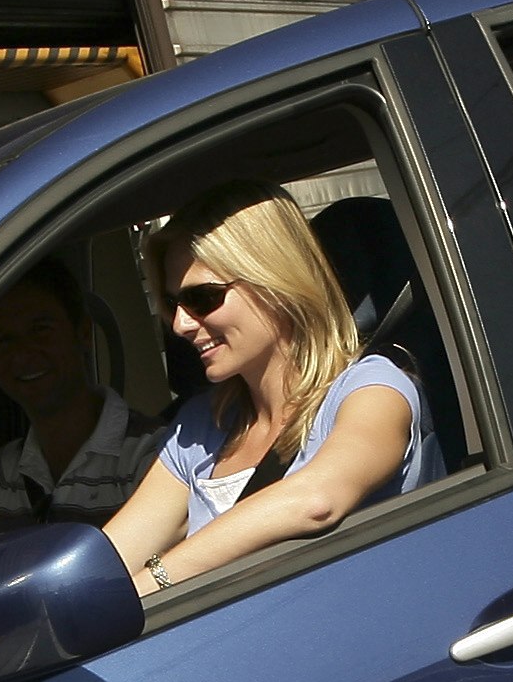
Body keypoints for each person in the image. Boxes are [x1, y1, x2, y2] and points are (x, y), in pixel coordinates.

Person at [102, 182, 421, 601]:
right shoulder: (201, 426)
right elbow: (113, 556)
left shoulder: (372, 390)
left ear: (275, 280)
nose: (180, 324)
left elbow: (317, 501)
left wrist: (149, 585)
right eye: (173, 302)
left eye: (203, 297)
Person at [0, 259, 160, 534]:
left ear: (83, 333)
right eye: (3, 341)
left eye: (40, 330)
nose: (23, 354)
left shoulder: (153, 457)